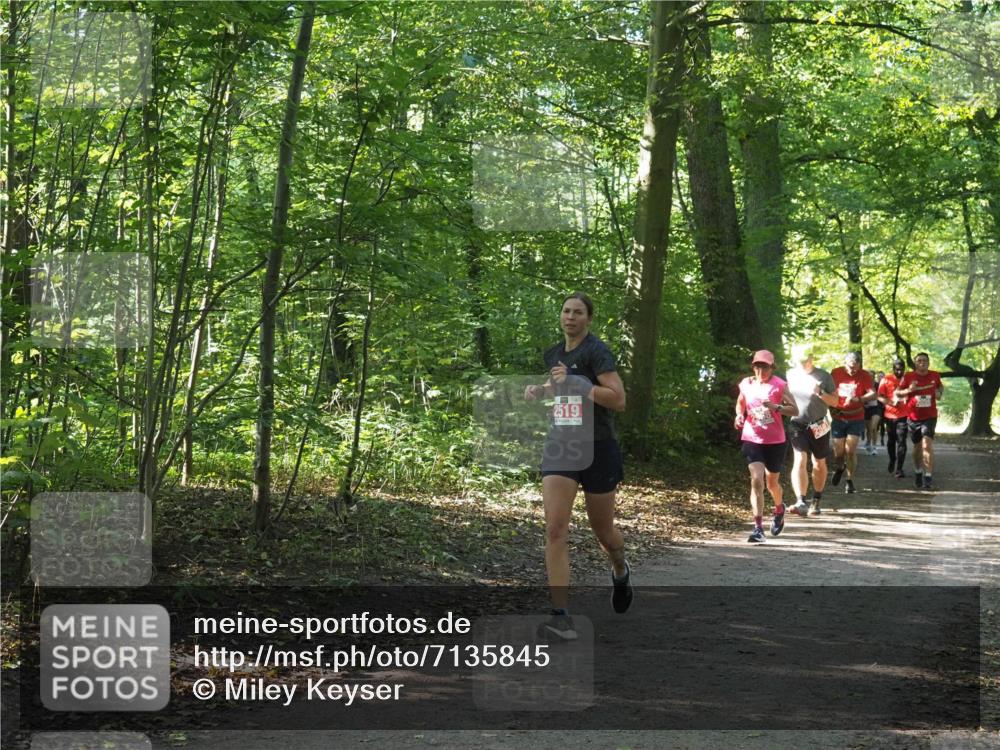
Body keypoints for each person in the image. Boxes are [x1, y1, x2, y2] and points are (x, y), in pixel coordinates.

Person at [524, 292, 630, 640]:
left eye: (578, 312)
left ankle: (619, 568)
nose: (570, 317)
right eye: (566, 311)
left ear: (589, 318)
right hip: (562, 445)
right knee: (555, 529)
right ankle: (561, 617)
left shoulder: (597, 352)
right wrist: (540, 391)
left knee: (604, 532)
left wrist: (579, 385)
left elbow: (618, 399)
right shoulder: (555, 352)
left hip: (598, 447)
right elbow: (558, 383)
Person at [734, 350, 799, 543]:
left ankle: (779, 508)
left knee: (772, 484)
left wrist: (776, 407)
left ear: (772, 368)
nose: (761, 370)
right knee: (756, 480)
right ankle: (758, 528)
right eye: (757, 366)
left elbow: (795, 409)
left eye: (765, 366)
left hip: (775, 441)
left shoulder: (779, 385)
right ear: (753, 367)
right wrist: (739, 415)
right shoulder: (746, 384)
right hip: (752, 438)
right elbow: (740, 403)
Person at [785, 345, 838, 517]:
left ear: (811, 357)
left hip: (819, 424)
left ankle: (816, 499)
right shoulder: (790, 374)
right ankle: (801, 500)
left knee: (818, 463)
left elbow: (835, 402)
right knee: (800, 458)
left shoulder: (824, 376)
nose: (802, 363)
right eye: (799, 360)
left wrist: (820, 392)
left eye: (805, 360)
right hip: (797, 423)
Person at [829, 352, 876, 496]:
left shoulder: (865, 375)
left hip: (856, 417)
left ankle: (849, 480)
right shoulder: (835, 373)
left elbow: (873, 394)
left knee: (850, 450)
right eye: (850, 367)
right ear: (845, 363)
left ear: (859, 365)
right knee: (839, 452)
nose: (852, 371)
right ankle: (839, 467)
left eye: (855, 368)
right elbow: (828, 391)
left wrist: (859, 399)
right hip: (838, 416)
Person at [895, 352, 944, 490]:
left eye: (924, 361)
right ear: (915, 363)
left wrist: (939, 393)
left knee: (926, 445)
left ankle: (928, 476)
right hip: (913, 417)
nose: (922, 363)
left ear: (928, 363)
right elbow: (897, 393)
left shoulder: (935, 375)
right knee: (917, 448)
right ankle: (918, 471)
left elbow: (940, 387)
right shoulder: (908, 376)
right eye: (919, 361)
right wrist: (909, 390)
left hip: (930, 416)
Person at [877, 358, 909, 478]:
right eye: (897, 369)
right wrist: (890, 402)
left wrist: (908, 399)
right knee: (891, 440)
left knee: (902, 440)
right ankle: (892, 459)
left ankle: (899, 469)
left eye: (901, 369)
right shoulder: (886, 379)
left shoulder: (908, 380)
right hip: (889, 415)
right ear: (893, 369)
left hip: (904, 415)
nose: (899, 372)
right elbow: (879, 396)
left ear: (904, 369)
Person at [864, 371, 884, 455]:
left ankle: (874, 446)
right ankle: (868, 442)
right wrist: (864, 404)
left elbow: (883, 395)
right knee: (869, 429)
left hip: (877, 408)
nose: (870, 377)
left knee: (873, 427)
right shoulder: (863, 385)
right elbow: (859, 396)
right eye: (868, 376)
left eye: (872, 376)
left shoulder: (878, 385)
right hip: (867, 409)